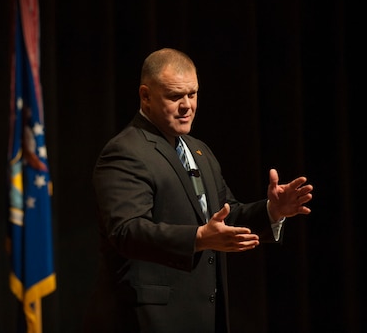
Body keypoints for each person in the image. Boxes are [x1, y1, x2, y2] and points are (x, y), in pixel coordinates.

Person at [84, 48, 313, 333]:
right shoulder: (125, 152)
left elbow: (225, 216)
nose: (187, 106)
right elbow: (127, 231)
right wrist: (198, 237)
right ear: (145, 96)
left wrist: (271, 211)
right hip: (150, 321)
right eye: (175, 96)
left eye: (192, 94)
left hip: (206, 316)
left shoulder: (198, 150)